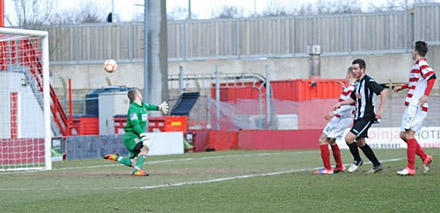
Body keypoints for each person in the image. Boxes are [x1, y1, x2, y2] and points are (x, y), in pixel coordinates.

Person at [333, 59, 387, 174]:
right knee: (361, 142)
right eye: (352, 69)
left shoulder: (368, 81)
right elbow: (353, 99)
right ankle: (376, 165)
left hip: (366, 117)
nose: (353, 71)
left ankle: (357, 160)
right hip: (358, 117)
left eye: (356, 69)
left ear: (362, 70)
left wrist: (380, 110)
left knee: (349, 138)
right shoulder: (357, 83)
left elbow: (383, 92)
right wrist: (340, 103)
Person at [103, 89, 169, 176]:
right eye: (140, 93)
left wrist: (159, 108)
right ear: (137, 96)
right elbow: (135, 124)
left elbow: (149, 106)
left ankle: (115, 157)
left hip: (136, 136)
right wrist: (143, 135)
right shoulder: (133, 109)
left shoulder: (143, 105)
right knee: (145, 148)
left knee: (133, 162)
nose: (141, 95)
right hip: (131, 137)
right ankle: (137, 171)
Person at [393, 41, 435, 176]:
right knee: (403, 135)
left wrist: (426, 95)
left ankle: (410, 168)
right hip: (412, 104)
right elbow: (415, 83)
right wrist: (402, 87)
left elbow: (432, 77)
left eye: (412, 50)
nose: (411, 52)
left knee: (409, 134)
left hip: (417, 105)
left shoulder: (422, 64)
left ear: (415, 51)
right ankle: (425, 158)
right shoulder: (417, 66)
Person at [315, 67, 356, 174]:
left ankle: (328, 168)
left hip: (342, 118)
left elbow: (351, 105)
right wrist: (344, 89)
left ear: (350, 75)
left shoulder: (352, 88)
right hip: (340, 118)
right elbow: (348, 100)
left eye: (346, 75)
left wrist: (334, 113)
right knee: (331, 141)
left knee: (322, 140)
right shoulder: (350, 88)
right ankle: (339, 166)